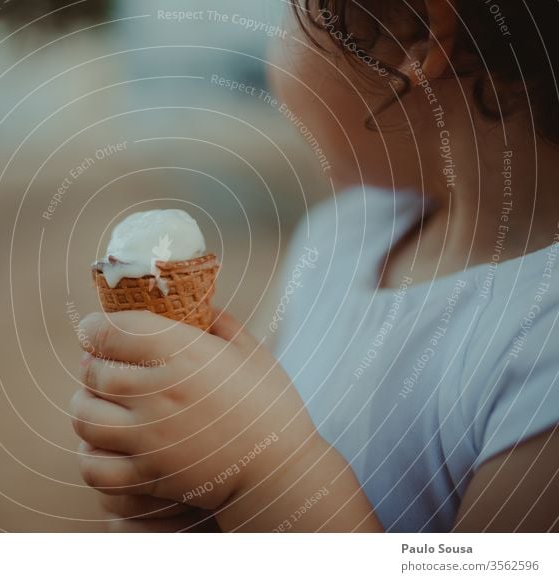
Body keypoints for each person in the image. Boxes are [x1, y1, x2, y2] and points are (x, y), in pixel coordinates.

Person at [69, 0, 559, 532]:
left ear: (412, 32)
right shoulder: (343, 235)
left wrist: (259, 476)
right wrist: (188, 503)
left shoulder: (544, 348)